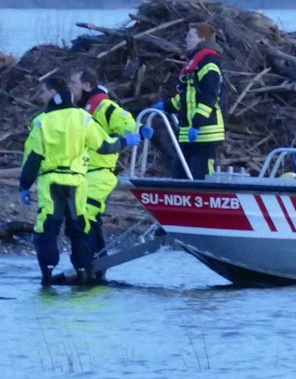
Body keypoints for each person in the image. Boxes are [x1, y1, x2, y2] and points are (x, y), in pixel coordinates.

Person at [19, 73, 121, 287]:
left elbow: (33, 158)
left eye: (44, 91)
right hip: (77, 181)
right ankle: (84, 273)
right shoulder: (82, 118)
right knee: (79, 227)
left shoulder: (41, 122)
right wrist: (124, 141)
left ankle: (46, 277)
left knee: (47, 227)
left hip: (51, 182)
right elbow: (104, 145)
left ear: (54, 92)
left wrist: (25, 186)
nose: (42, 95)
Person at [73, 67, 142, 270]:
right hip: (84, 175)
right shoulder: (80, 109)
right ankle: (92, 266)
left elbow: (127, 124)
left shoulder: (104, 106)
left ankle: (92, 266)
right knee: (87, 221)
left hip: (99, 174)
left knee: (86, 218)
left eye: (73, 84)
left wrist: (133, 134)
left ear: (86, 85)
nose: (71, 88)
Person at [151, 22, 225, 179]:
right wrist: (167, 106)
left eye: (190, 36)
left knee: (202, 176)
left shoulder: (209, 62)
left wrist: (197, 123)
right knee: (179, 173)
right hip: (188, 132)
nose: (186, 39)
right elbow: (187, 95)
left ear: (202, 39)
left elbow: (210, 97)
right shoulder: (195, 63)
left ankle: (204, 203)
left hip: (205, 133)